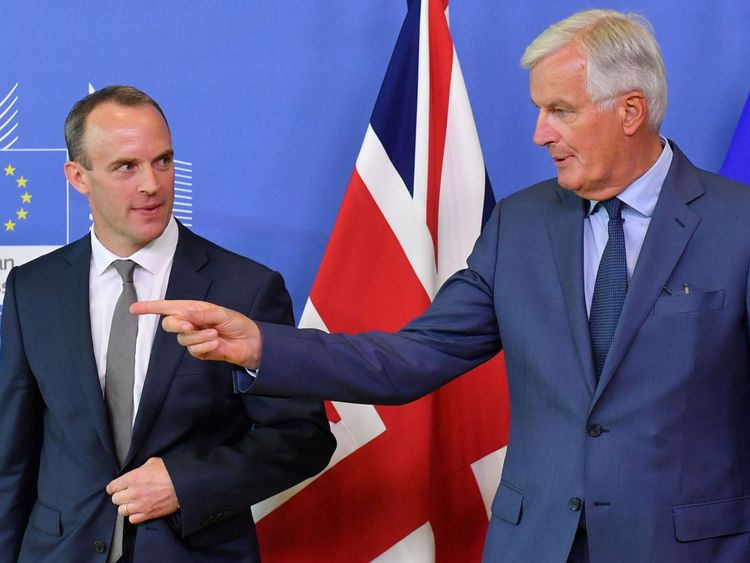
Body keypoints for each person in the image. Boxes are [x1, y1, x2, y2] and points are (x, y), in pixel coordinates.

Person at [134, 9, 750, 563]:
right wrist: (263, 347)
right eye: (539, 110)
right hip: (534, 545)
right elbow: (409, 358)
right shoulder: (520, 225)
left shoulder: (738, 224)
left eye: (560, 110)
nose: (540, 133)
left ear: (630, 111)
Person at [0, 85, 335, 563]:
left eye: (163, 161)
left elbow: (303, 438)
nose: (152, 185)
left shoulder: (246, 289)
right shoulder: (33, 290)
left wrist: (186, 482)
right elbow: (12, 456)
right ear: (78, 176)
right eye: (125, 167)